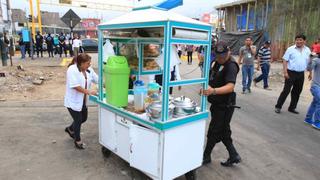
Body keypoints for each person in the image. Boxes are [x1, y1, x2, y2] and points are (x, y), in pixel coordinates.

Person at [201, 41, 241, 167]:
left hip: (225, 105)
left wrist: (212, 91)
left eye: (223, 56)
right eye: (218, 56)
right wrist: (205, 86)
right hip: (217, 103)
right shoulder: (216, 62)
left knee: (214, 130)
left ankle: (206, 156)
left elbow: (230, 87)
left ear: (229, 51)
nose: (221, 59)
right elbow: (211, 77)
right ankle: (234, 155)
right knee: (224, 130)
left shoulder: (231, 66)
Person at [64, 53, 98, 149]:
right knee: (78, 120)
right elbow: (75, 86)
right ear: (81, 63)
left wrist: (106, 83)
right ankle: (77, 140)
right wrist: (89, 92)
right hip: (72, 101)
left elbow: (97, 79)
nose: (89, 65)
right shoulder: (72, 70)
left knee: (84, 118)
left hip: (83, 101)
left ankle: (70, 129)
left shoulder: (88, 70)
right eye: (88, 63)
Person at [275, 34, 311, 114]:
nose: (298, 41)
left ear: (304, 41)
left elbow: (309, 62)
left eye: (300, 40)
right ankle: (278, 106)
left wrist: (310, 72)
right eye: (297, 40)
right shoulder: (290, 49)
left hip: (301, 74)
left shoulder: (307, 50)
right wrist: (285, 72)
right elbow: (285, 60)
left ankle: (292, 107)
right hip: (291, 73)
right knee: (286, 90)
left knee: (297, 91)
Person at [305, 53, 320, 129]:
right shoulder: (316, 60)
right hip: (316, 86)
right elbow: (309, 68)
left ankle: (308, 119)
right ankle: (317, 122)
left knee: (315, 102)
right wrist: (310, 59)